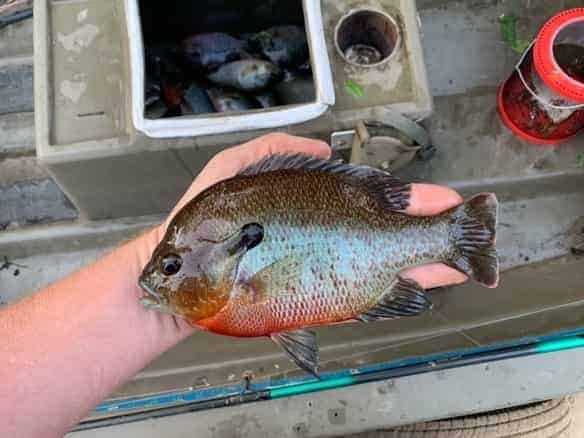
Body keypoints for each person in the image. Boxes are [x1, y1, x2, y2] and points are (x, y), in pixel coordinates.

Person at [0, 134, 467, 437]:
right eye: (169, 266)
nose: (159, 276)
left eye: (168, 267)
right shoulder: (213, 250)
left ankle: (454, 236)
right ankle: (456, 237)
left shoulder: (228, 266)